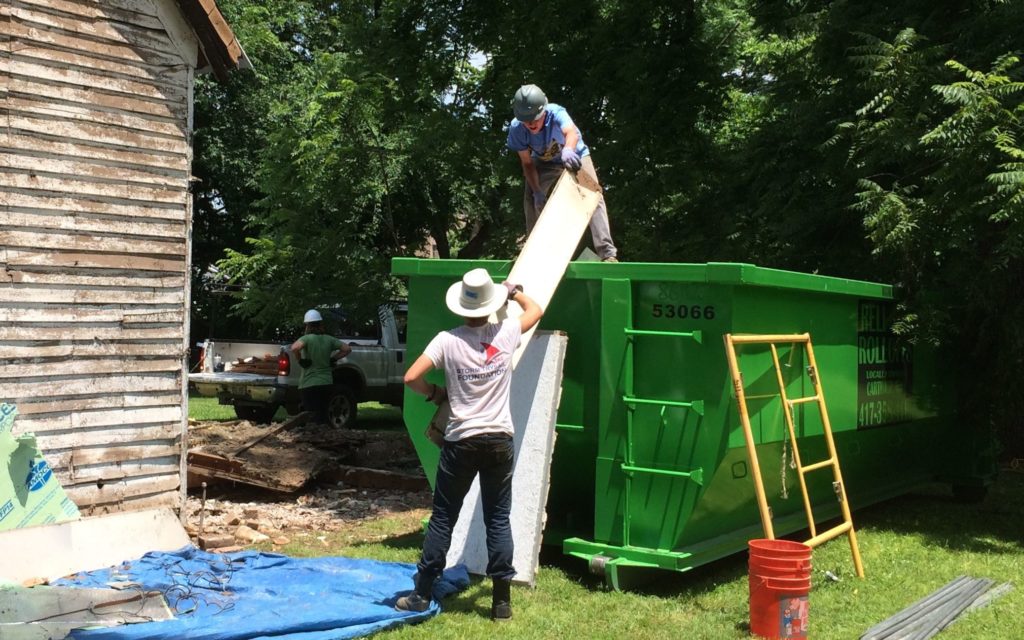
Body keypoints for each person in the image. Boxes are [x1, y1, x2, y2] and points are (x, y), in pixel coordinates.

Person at [396, 268, 543, 621]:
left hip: (461, 440)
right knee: (497, 518)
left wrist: (434, 393)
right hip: (499, 439)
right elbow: (536, 311)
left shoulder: (447, 340)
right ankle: (501, 603)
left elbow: (411, 377)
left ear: (462, 307)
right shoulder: (506, 332)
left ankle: (421, 594)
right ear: (491, 305)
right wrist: (514, 291)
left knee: (444, 517)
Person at [506, 83, 619, 262]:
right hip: (544, 162)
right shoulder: (516, 129)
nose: (531, 124)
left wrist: (568, 150)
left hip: (575, 156)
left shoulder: (556, 112)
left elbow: (571, 133)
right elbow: (527, 164)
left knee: (594, 194)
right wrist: (537, 191)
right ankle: (534, 252)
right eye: (526, 120)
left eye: (535, 119)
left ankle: (607, 253)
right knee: (530, 197)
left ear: (543, 112)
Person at [290, 309, 351, 426]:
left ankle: (312, 439)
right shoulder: (329, 339)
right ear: (320, 324)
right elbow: (347, 349)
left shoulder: (306, 339)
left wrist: (300, 360)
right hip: (326, 382)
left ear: (307, 325)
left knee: (311, 415)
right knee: (323, 414)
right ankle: (323, 437)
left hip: (308, 384)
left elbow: (294, 348)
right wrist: (333, 359)